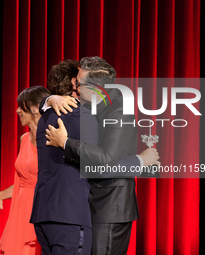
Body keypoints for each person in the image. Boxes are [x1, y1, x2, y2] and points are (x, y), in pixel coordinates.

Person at [45, 56, 160, 255]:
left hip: (109, 208)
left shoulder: (119, 113)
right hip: (89, 203)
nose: (76, 88)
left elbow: (106, 161)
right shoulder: (88, 105)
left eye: (79, 84)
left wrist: (65, 143)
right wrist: (50, 98)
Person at [30, 59, 99, 255]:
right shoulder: (82, 115)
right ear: (73, 83)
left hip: (44, 214)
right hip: (70, 215)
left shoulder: (44, 118)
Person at [0, 86, 50, 254]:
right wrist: (0, 195)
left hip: (41, 210)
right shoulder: (24, 139)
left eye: (21, 107)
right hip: (20, 213)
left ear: (35, 109)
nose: (17, 111)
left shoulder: (52, 140)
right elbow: (22, 182)